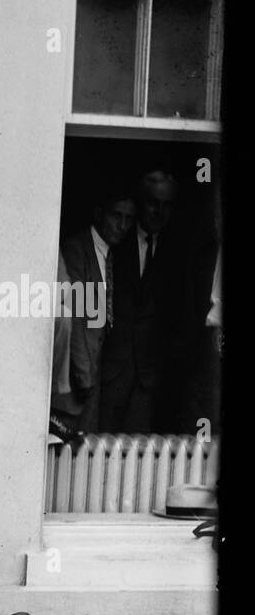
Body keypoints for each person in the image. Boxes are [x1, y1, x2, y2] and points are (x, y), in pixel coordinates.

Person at [100, 168, 180, 433]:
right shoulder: (116, 239)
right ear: (141, 201)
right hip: (112, 370)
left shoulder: (177, 249)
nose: (159, 212)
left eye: (167, 205)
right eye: (153, 203)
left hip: (149, 377)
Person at [52, 186, 136, 435]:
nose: (122, 225)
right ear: (100, 213)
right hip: (78, 382)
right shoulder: (77, 249)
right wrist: (84, 377)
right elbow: (75, 317)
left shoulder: (113, 255)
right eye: (116, 216)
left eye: (129, 219)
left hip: (95, 378)